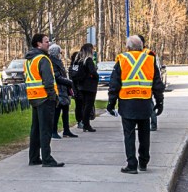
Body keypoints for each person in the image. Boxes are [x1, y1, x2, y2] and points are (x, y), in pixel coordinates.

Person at [105, 35, 164, 174]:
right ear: (141, 47)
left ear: (128, 47)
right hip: (144, 102)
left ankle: (131, 164)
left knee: (129, 135)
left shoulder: (122, 59)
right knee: (144, 135)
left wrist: (111, 103)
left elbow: (114, 84)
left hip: (127, 103)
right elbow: (157, 83)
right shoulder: (150, 59)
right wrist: (159, 101)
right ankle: (143, 162)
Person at [24, 33, 63, 167]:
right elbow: (48, 81)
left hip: (34, 97)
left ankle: (34, 157)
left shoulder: (29, 59)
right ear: (39, 44)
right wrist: (53, 96)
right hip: (45, 98)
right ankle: (47, 159)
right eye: (46, 41)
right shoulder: (43, 59)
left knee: (35, 129)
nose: (49, 44)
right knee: (45, 129)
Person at [48, 43, 77, 138]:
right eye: (60, 52)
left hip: (63, 89)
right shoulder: (52, 62)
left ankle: (66, 130)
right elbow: (57, 77)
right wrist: (69, 82)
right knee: (57, 111)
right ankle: (54, 131)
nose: (61, 54)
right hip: (58, 89)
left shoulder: (58, 61)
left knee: (65, 110)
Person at [70, 43, 99, 132]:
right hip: (89, 86)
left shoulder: (79, 60)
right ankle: (86, 124)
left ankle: (84, 122)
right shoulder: (88, 60)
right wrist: (96, 76)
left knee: (84, 105)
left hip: (81, 85)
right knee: (88, 105)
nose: (93, 51)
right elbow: (93, 72)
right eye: (92, 49)